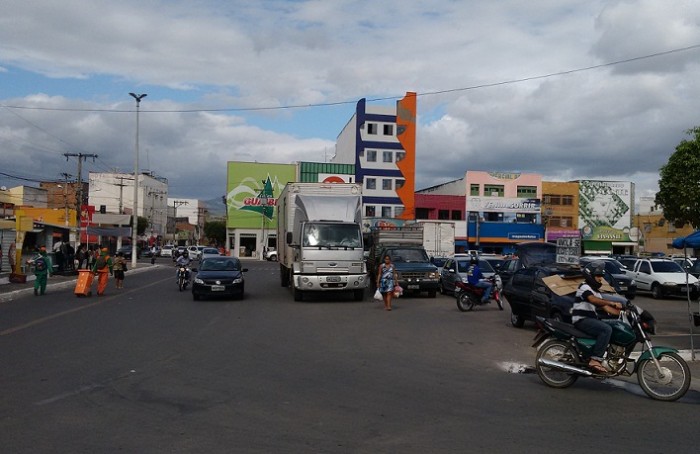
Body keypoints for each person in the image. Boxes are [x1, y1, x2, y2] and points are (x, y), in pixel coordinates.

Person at [573, 265, 623, 373]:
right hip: (582, 319)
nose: (600, 278)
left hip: (590, 319)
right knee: (606, 329)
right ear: (590, 276)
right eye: (598, 276)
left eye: (601, 276)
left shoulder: (596, 291)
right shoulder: (584, 287)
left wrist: (623, 312)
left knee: (615, 326)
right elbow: (593, 300)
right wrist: (612, 302)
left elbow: (606, 308)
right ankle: (595, 359)